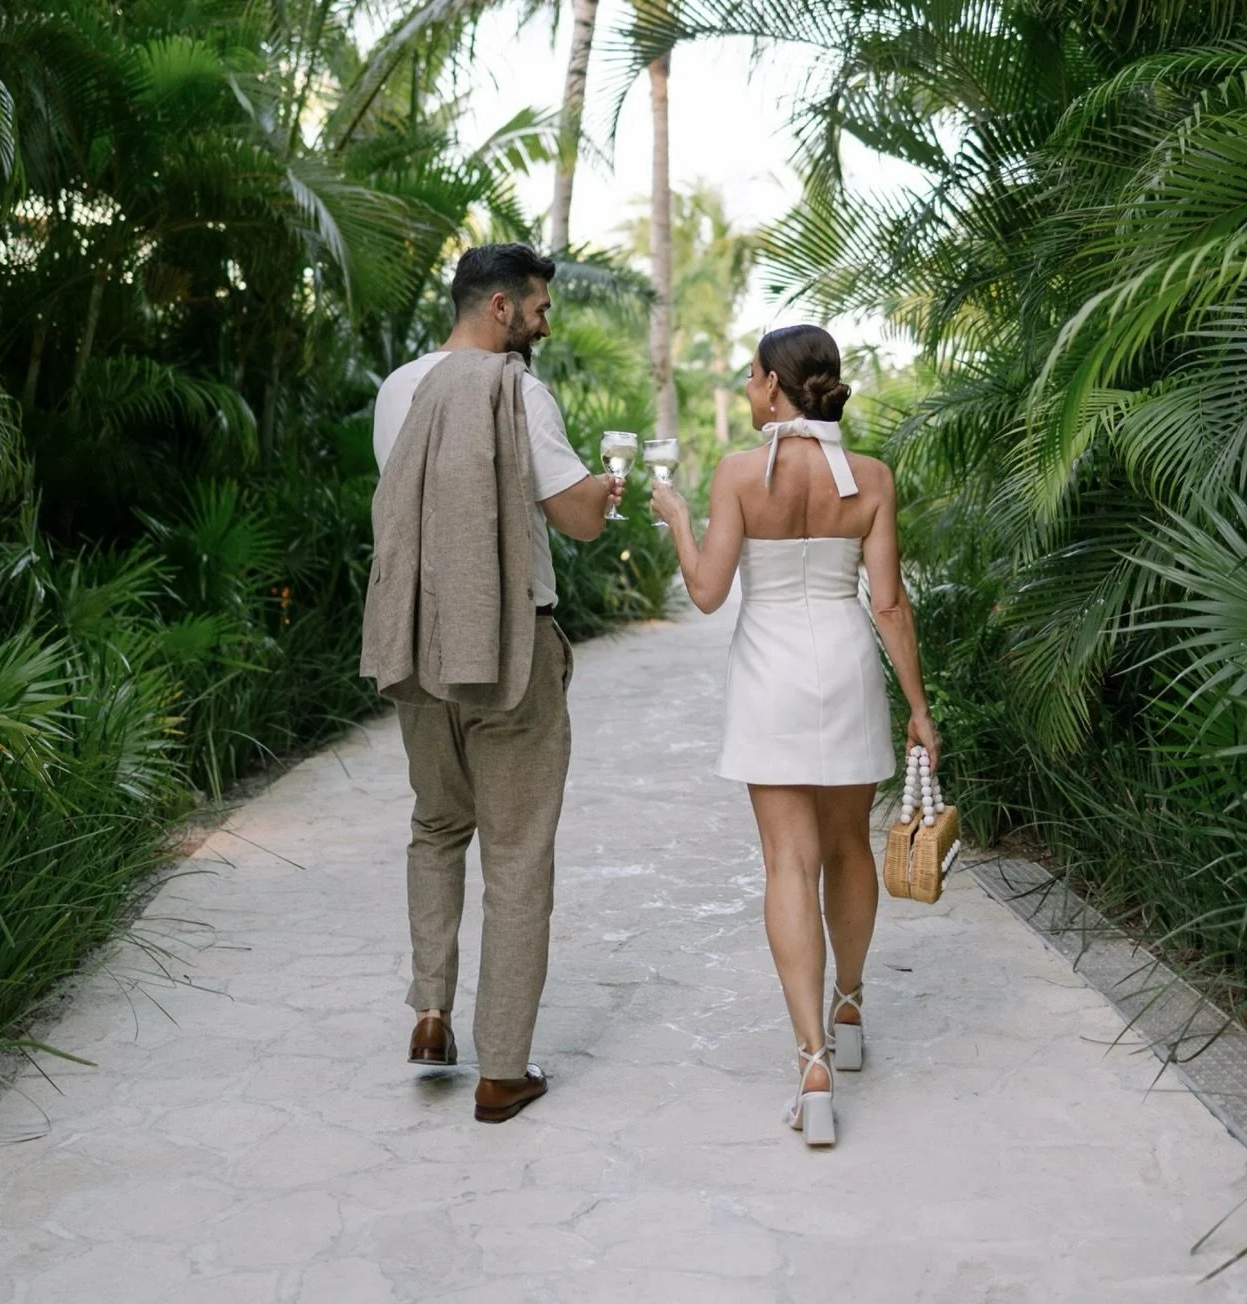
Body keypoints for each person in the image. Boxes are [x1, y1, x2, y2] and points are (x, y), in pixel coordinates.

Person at [648, 324, 940, 1148]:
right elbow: (887, 605)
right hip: (845, 665)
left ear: (776, 384)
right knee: (849, 847)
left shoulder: (740, 476)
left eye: (751, 376)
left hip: (770, 675)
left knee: (788, 861)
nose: (746, 390)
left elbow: (707, 592)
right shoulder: (873, 478)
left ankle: (811, 1062)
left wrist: (673, 513)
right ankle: (849, 1006)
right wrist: (918, 709)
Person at [361, 243, 621, 1124]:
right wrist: (609, 487)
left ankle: (431, 1012)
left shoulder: (399, 387)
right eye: (540, 308)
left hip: (419, 645)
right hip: (510, 652)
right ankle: (503, 1069)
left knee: (437, 825)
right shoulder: (515, 389)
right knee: (515, 855)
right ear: (502, 308)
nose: (546, 324)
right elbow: (577, 518)